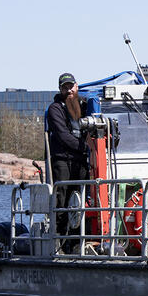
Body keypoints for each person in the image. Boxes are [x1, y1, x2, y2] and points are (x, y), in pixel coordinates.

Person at [46, 72, 90, 252]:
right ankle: (60, 241)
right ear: (60, 89)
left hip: (81, 161)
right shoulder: (55, 108)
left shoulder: (85, 106)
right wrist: (85, 147)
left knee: (82, 199)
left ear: (77, 87)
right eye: (65, 87)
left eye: (71, 86)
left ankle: (79, 239)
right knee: (62, 199)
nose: (69, 90)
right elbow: (63, 135)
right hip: (62, 160)